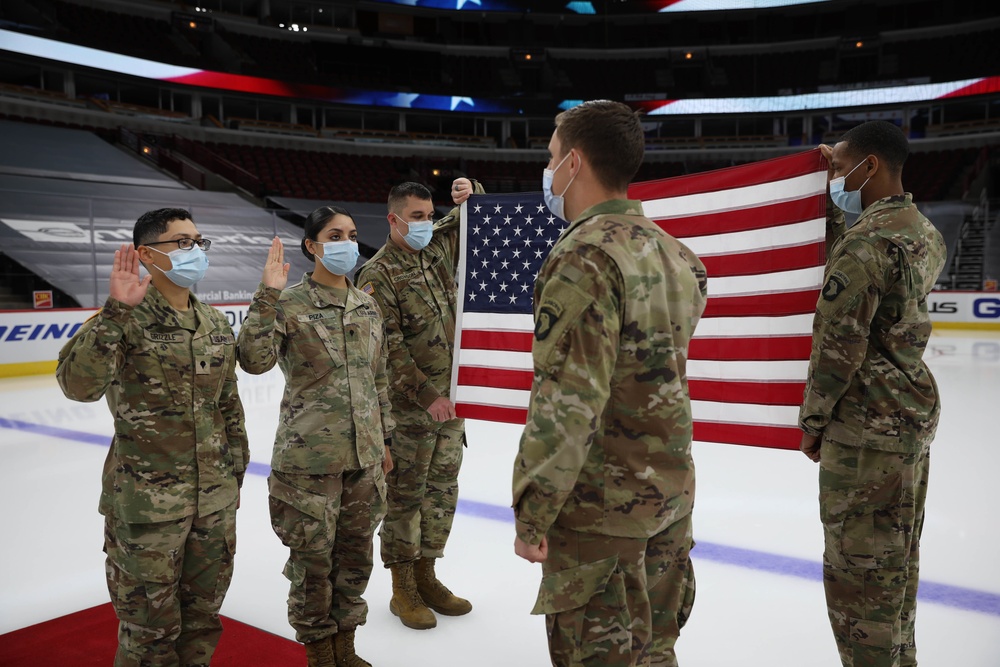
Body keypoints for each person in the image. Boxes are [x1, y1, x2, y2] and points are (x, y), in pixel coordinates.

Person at [512, 99, 707, 667]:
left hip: (603, 515)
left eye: (551, 158)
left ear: (574, 162)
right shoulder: (678, 254)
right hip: (669, 499)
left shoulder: (585, 256)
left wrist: (534, 512)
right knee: (655, 655)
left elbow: (567, 403)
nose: (548, 172)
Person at [56, 208, 248, 667]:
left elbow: (228, 406)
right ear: (146, 254)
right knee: (149, 634)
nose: (194, 251)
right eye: (181, 242)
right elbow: (78, 386)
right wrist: (116, 311)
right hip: (147, 509)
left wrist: (234, 475)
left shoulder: (214, 324)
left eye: (198, 242)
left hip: (213, 503)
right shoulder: (125, 319)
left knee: (202, 620)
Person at [798, 121, 947, 667]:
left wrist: (812, 422)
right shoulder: (923, 232)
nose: (834, 175)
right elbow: (874, 283)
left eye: (839, 167)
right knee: (895, 575)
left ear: (871, 167)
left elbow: (838, 348)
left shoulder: (865, 246)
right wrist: (836, 209)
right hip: (905, 423)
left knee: (859, 587)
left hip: (863, 435)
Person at [236, 206, 394, 667]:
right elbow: (253, 359)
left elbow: (378, 377)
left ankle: (346, 646)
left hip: (364, 459)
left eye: (351, 233)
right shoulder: (289, 304)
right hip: (308, 462)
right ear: (312, 246)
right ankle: (320, 653)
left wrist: (384, 441)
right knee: (312, 567)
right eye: (334, 235)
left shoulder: (366, 304)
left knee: (356, 560)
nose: (347, 242)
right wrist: (267, 295)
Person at [354, 177, 481, 630]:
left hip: (453, 405)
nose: (426, 224)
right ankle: (403, 588)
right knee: (405, 500)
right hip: (412, 412)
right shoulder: (377, 274)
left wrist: (471, 193)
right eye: (417, 217)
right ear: (394, 220)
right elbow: (386, 347)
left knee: (442, 493)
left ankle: (428, 575)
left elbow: (466, 217)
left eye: (429, 216)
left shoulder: (436, 252)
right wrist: (428, 396)